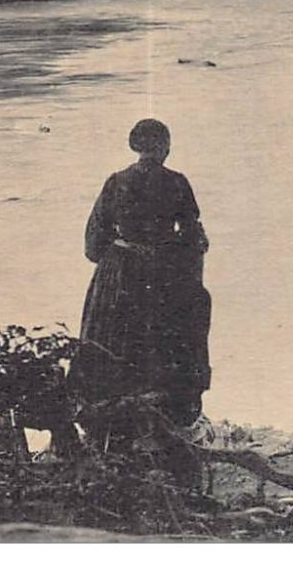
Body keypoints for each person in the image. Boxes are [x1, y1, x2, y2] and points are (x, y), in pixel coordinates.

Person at [70, 119, 214, 448]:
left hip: (119, 275)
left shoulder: (116, 183)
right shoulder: (177, 183)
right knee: (174, 339)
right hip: (165, 273)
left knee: (112, 340)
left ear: (135, 147)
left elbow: (92, 246)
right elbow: (193, 236)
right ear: (165, 147)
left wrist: (119, 257)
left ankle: (110, 424)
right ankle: (172, 417)